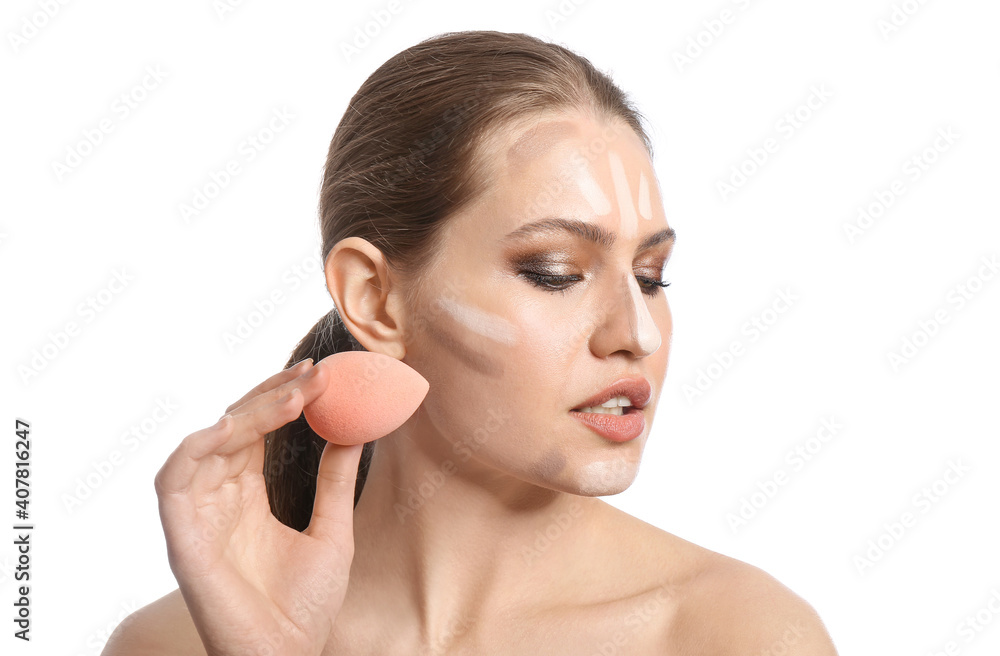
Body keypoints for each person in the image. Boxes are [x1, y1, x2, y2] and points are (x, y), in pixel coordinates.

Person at [104, 29, 839, 655]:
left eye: (651, 277)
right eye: (555, 273)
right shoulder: (178, 642)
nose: (636, 334)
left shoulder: (733, 635)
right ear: (375, 298)